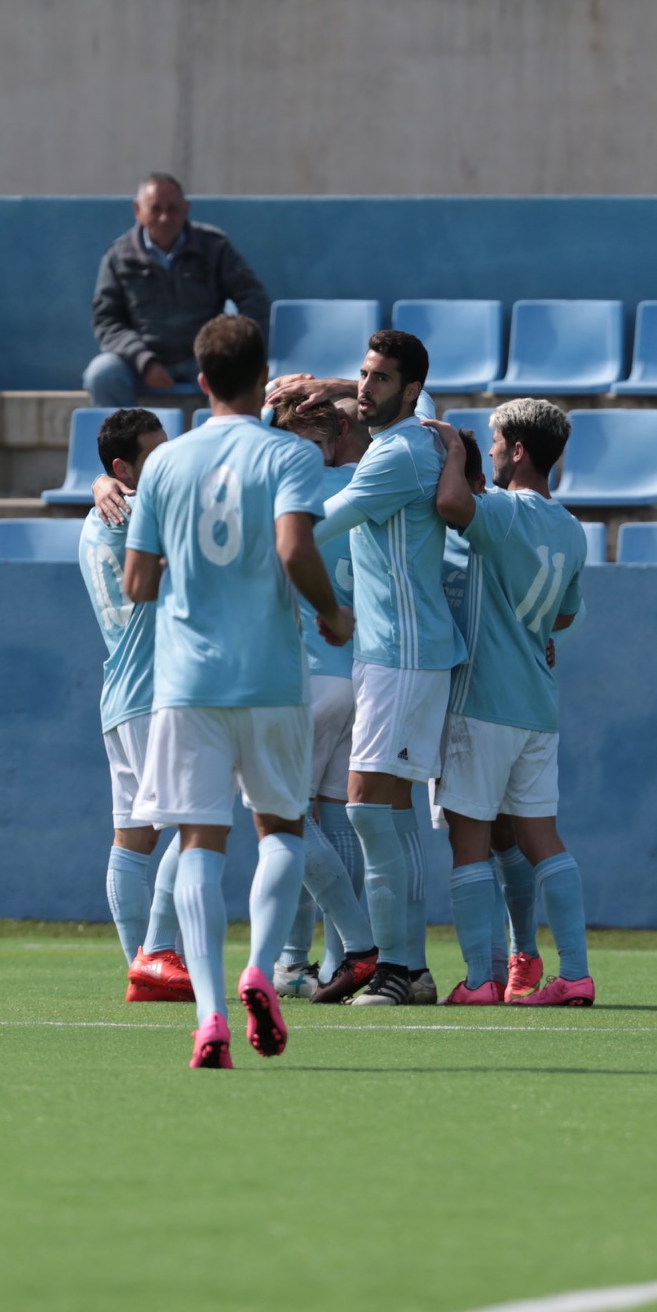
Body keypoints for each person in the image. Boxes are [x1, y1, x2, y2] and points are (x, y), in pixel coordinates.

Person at [123, 315, 354, 1068]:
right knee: (281, 829)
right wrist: (332, 612)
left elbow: (138, 582)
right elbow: (293, 546)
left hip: (188, 681)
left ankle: (211, 1016)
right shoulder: (291, 453)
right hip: (271, 675)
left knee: (199, 840)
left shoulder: (165, 462)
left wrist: (186, 566)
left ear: (201, 381)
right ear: (264, 378)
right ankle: (260, 967)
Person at [311, 331, 468, 1007]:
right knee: (391, 817)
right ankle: (414, 970)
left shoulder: (397, 454)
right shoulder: (412, 438)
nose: (365, 387)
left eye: (380, 378)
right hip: (395, 655)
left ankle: (395, 969)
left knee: (369, 810)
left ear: (410, 390)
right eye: (363, 374)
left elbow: (315, 524)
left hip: (402, 656)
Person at [424, 400, 593, 1007]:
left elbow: (450, 503)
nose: (490, 449)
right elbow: (565, 614)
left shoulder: (501, 511)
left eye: (495, 441)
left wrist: (451, 448)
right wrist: (531, 628)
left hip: (482, 702)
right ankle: (575, 974)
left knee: (468, 844)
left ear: (518, 450)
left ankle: (480, 980)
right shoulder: (571, 528)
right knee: (543, 838)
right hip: (536, 709)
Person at [77, 408, 194, 1003]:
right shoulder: (142, 516)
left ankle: (142, 969)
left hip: (121, 693)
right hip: (155, 694)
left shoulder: (95, 519)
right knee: (199, 822)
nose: (170, 461)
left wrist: (100, 482)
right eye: (157, 454)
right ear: (124, 468)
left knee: (133, 837)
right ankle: (156, 952)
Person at [267, 400, 379, 1004]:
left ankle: (309, 957)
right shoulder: (366, 481)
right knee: (337, 822)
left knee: (287, 823)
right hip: (359, 674)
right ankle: (332, 963)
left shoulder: (284, 491)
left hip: (306, 674)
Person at [84, 173, 271, 411]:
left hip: (203, 357)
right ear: (138, 210)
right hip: (140, 363)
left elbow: (252, 298)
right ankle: (126, 435)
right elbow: (106, 320)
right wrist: (144, 361)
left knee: (236, 371)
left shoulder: (214, 246)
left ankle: (225, 433)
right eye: (155, 209)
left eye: (172, 209)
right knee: (102, 374)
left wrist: (232, 345)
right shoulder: (118, 256)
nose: (164, 218)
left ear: (186, 209)